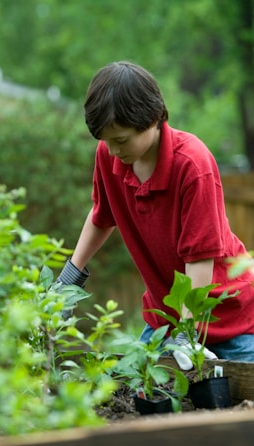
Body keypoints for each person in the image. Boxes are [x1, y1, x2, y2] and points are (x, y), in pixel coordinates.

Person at [56, 61, 254, 368]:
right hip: (166, 320)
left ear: (152, 119)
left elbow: (199, 258)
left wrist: (188, 334)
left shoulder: (192, 163)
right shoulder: (109, 157)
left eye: (120, 140)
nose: (112, 150)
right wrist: (67, 282)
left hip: (231, 319)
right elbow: (101, 215)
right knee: (135, 389)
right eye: (105, 141)